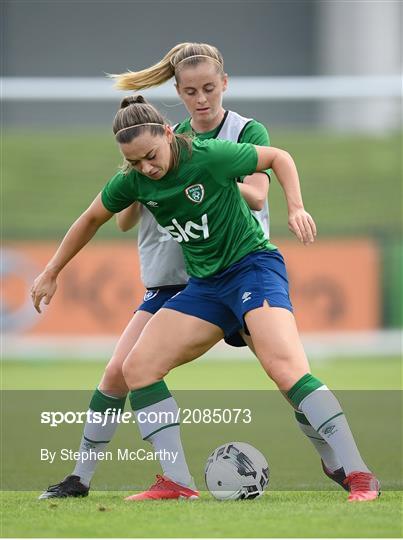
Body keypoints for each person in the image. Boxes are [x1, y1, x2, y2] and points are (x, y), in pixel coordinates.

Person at [31, 94, 379, 503]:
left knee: (285, 372)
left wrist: (296, 208)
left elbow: (279, 157)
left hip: (253, 269)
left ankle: (359, 474)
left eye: (150, 155)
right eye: (135, 162)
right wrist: (52, 270)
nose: (146, 167)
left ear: (166, 133)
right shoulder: (134, 179)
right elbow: (91, 218)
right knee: (136, 367)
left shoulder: (210, 155)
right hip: (205, 288)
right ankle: (178, 482)